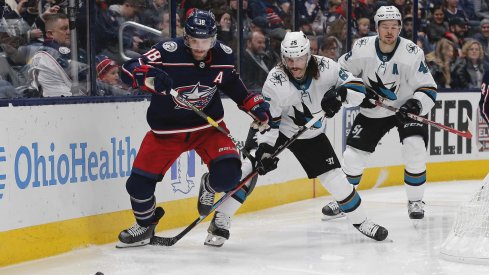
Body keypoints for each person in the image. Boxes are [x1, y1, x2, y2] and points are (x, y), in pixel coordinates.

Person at [202, 31, 389, 248]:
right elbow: (269, 122)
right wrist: (264, 150)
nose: (294, 64)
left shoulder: (327, 67)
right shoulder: (275, 80)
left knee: (336, 179)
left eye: (299, 58)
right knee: (250, 167)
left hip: (311, 134)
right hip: (279, 129)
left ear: (308, 55)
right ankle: (221, 219)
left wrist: (341, 94)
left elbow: (357, 87)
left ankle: (362, 221)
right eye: (288, 59)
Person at [116, 9, 271, 248]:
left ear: (214, 38)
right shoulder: (167, 51)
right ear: (186, 37)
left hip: (208, 128)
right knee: (137, 185)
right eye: (194, 41)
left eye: (206, 41)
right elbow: (127, 70)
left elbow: (235, 86)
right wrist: (149, 75)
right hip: (166, 132)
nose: (200, 47)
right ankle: (145, 225)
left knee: (229, 176)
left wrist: (254, 107)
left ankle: (208, 184)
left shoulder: (224, 55)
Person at [321, 6, 437, 220]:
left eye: (395, 27)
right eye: (385, 27)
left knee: (415, 148)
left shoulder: (411, 52)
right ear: (377, 28)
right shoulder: (362, 48)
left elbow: (428, 87)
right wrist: (356, 92)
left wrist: (415, 104)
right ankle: (345, 200)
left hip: (405, 110)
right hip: (372, 111)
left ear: (400, 28)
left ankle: (415, 200)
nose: (390, 31)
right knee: (352, 157)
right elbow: (341, 73)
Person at [28, 13, 88, 97]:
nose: (69, 32)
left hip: (52, 101)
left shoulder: (42, 50)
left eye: (69, 28)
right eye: (64, 29)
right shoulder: (56, 51)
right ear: (50, 34)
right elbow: (83, 76)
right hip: (64, 102)